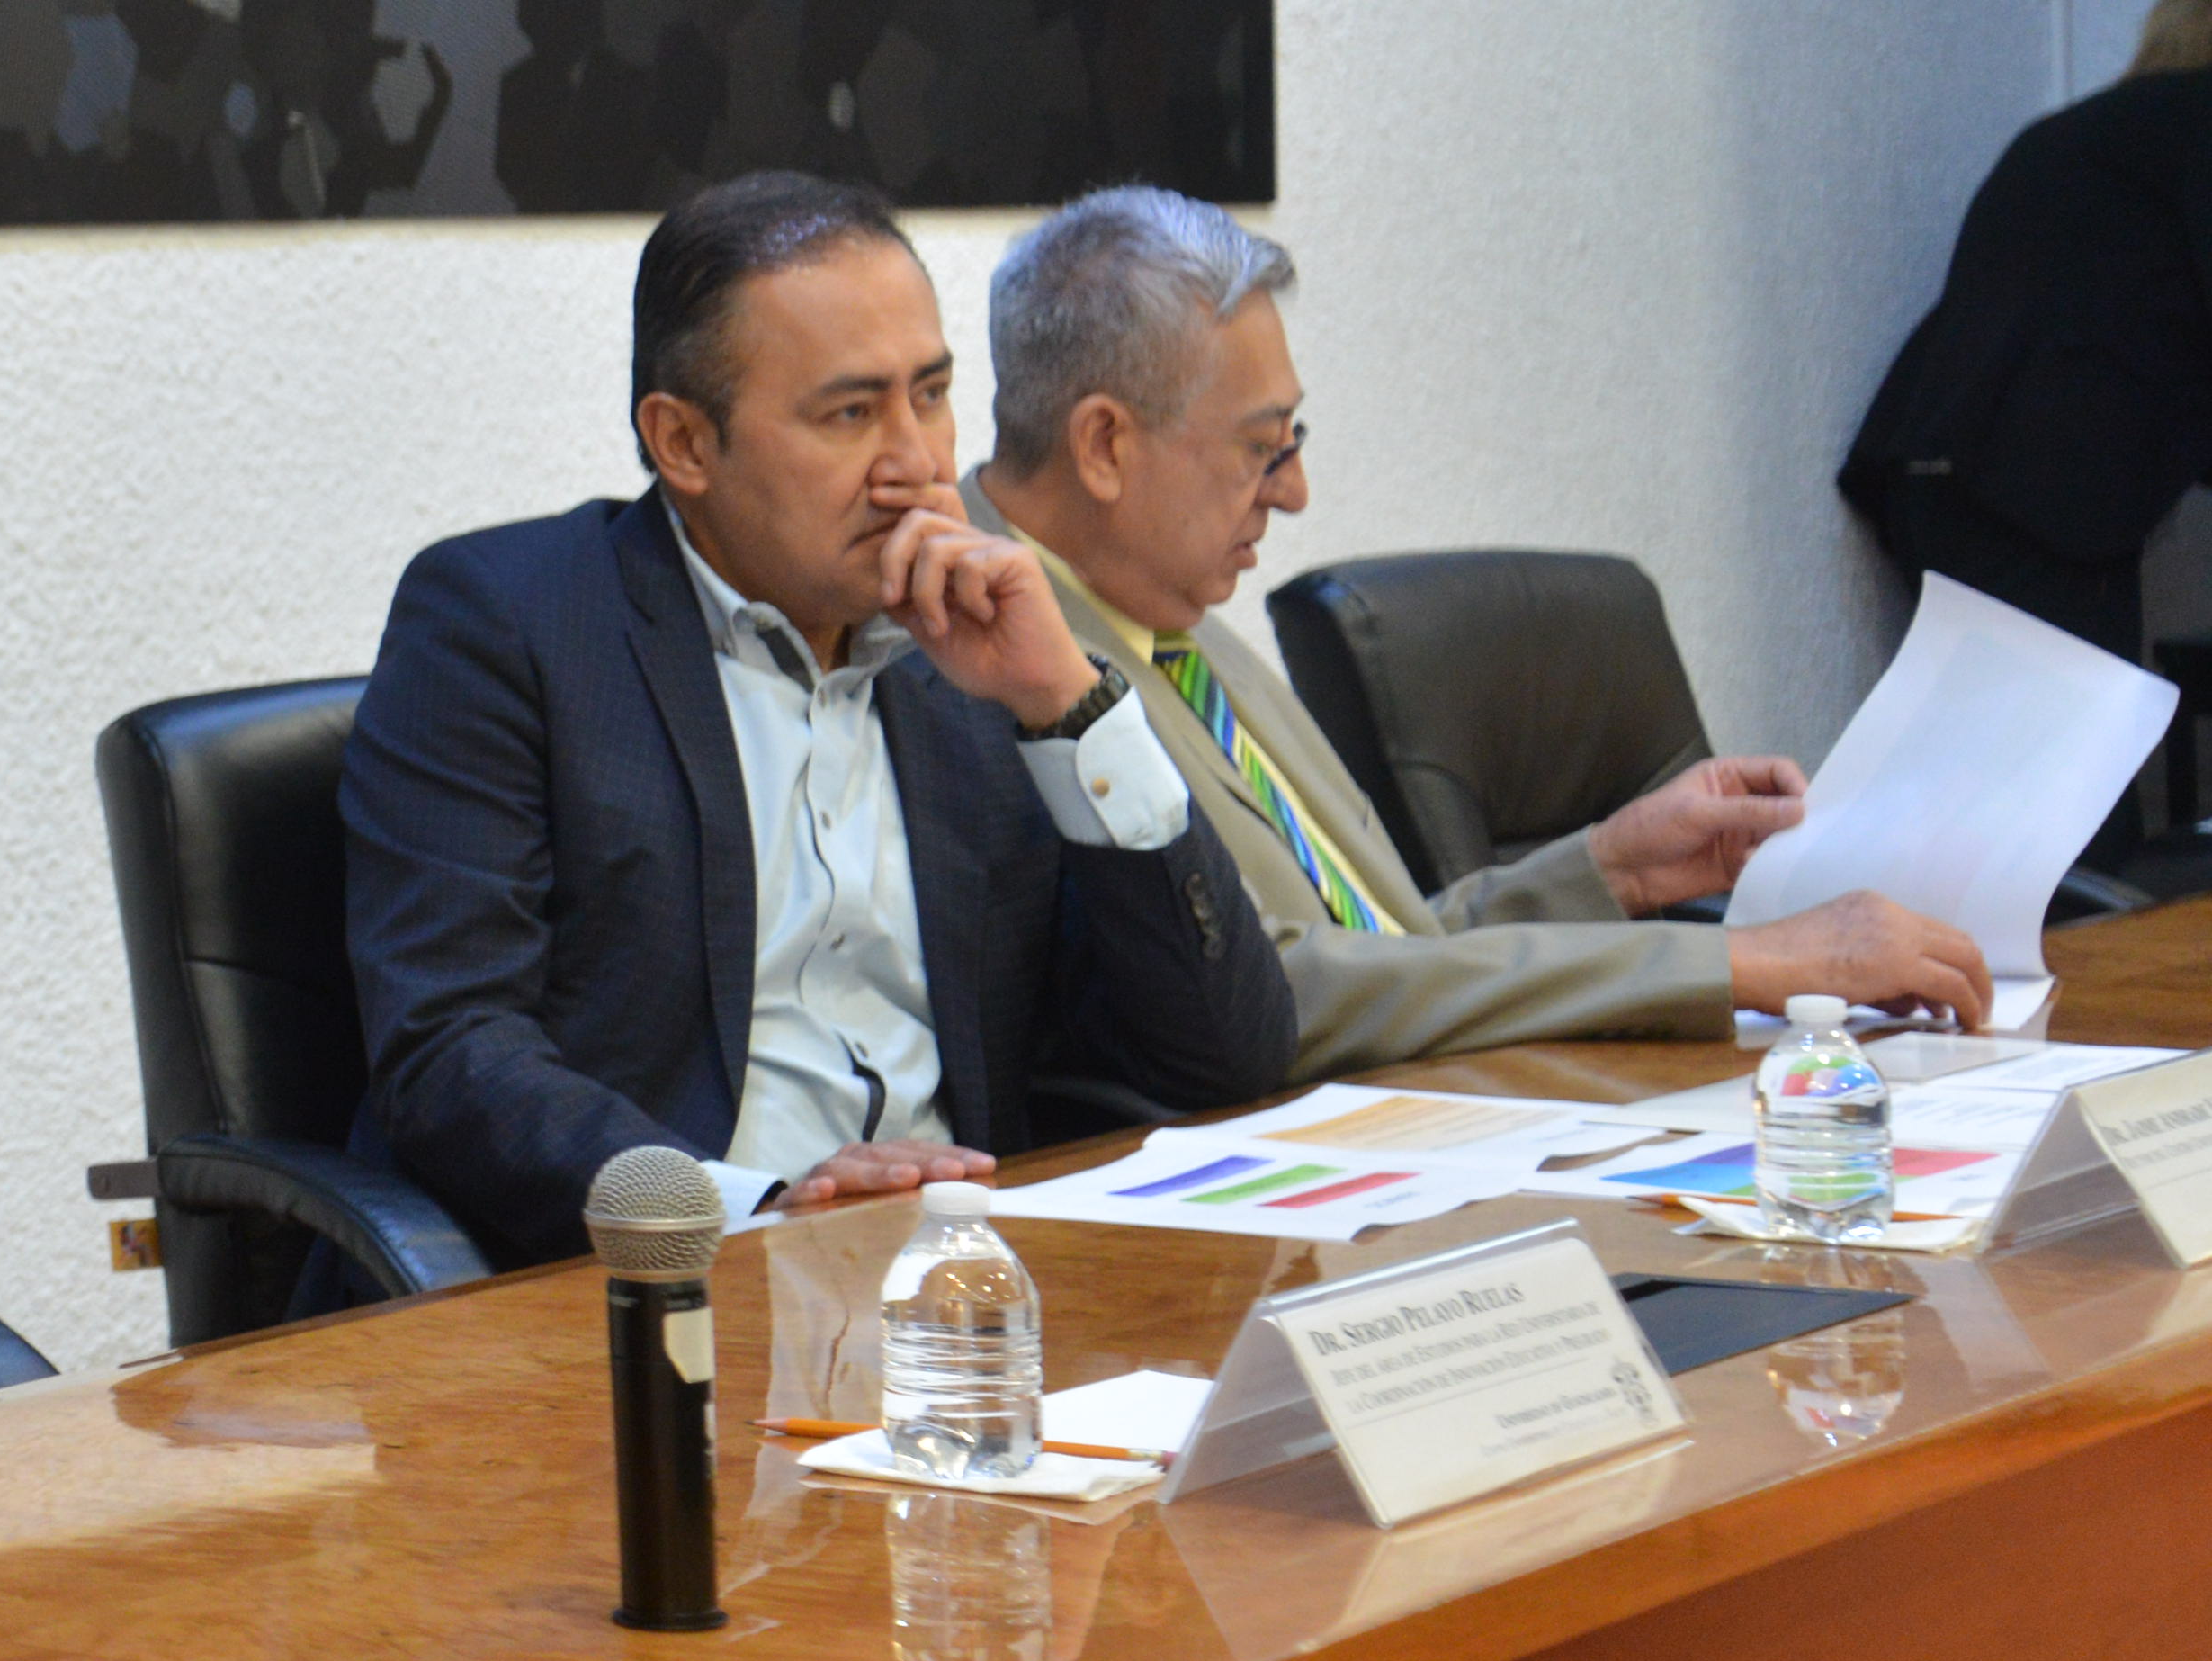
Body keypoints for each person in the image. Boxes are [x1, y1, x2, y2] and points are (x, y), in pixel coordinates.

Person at [340, 172, 1291, 1272]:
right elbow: (451, 1055)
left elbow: (1231, 1054)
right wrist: (758, 1208)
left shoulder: (976, 654)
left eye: (930, 394)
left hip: (971, 1290)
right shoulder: (510, 625)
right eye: (850, 412)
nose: (919, 464)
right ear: (684, 444)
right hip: (675, 1293)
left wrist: (1068, 702)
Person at [974, 189, 1988, 1078]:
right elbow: (1275, 993)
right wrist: (1745, 962)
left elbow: (1391, 951)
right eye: (1259, 447)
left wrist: (1610, 870)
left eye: (1293, 440)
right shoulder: (1004, 668)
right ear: (1105, 444)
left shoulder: (1166, 611)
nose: (1293, 491)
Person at [1844, 0, 2212, 664]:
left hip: (1928, 467)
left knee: (2004, 747)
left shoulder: (2093, 136)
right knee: (2076, 753)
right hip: (2042, 486)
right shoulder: (2190, 128)